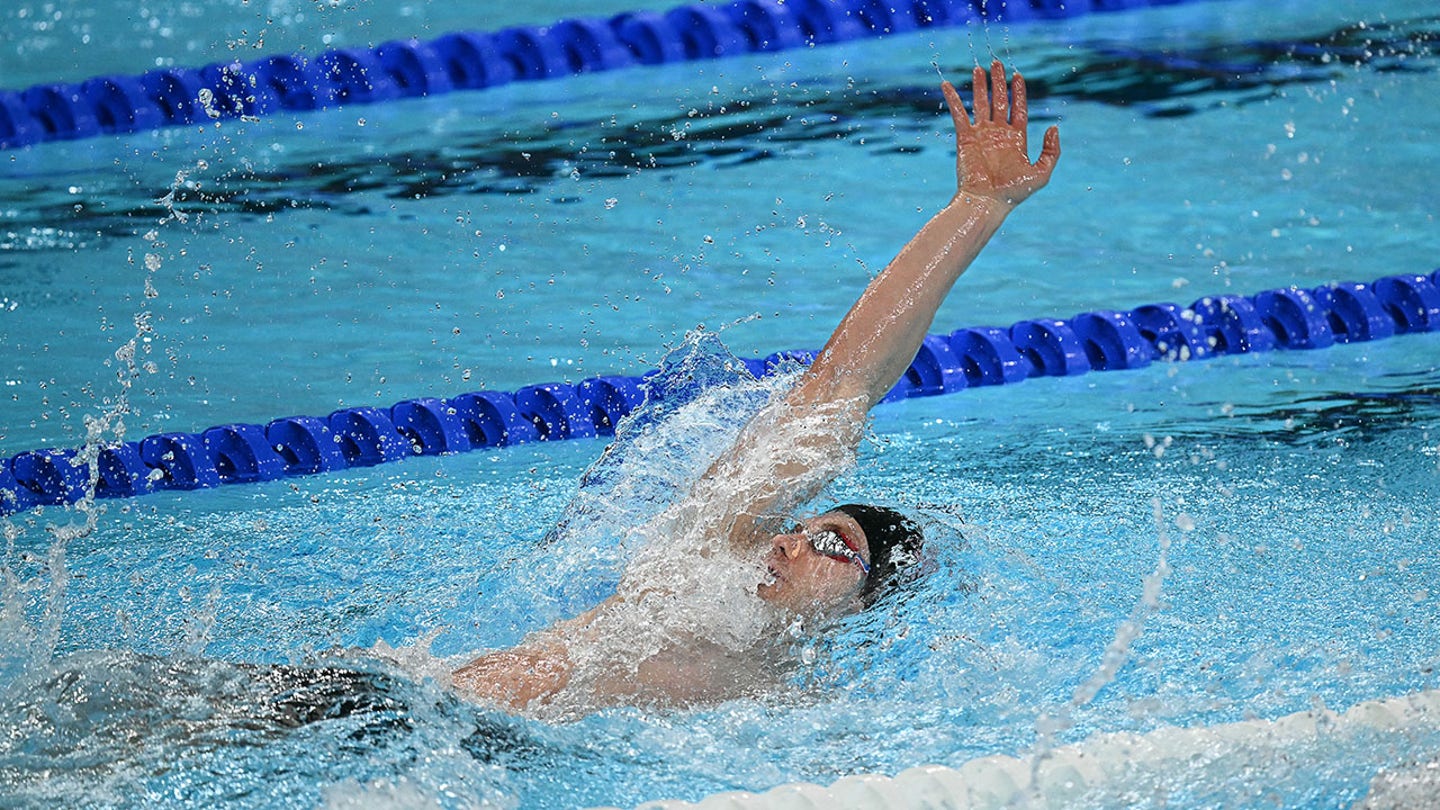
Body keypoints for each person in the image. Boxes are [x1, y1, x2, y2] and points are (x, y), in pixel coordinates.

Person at [451, 61, 1061, 715]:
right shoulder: (704, 563)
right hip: (410, 701)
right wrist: (978, 207)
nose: (786, 541)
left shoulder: (783, 700)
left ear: (865, 609)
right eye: (803, 527)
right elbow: (842, 382)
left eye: (832, 544)